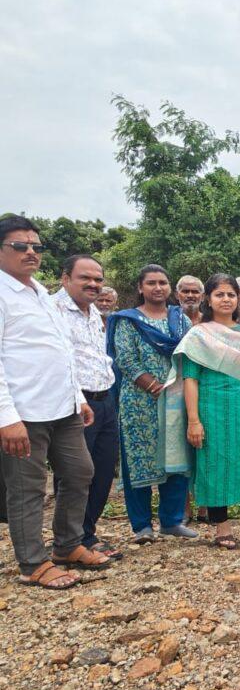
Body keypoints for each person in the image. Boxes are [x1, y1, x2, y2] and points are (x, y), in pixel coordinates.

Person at [0, 216, 108, 588]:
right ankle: (32, 563)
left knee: (80, 472)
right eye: (20, 246)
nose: (31, 252)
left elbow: (62, 351)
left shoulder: (39, 294)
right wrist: (6, 417)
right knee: (27, 487)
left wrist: (78, 397)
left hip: (63, 408)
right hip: (24, 411)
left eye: (36, 246)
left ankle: (67, 545)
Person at [172, 274, 240, 548]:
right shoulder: (198, 335)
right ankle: (221, 526)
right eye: (219, 294)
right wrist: (194, 420)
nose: (226, 299)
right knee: (214, 462)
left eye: (231, 294)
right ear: (208, 299)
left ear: (237, 299)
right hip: (211, 407)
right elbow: (190, 379)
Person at [107, 264, 195, 543]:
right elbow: (125, 359)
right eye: (151, 283)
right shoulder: (127, 321)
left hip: (177, 398)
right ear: (140, 287)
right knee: (138, 459)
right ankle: (142, 525)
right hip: (139, 401)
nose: (158, 288)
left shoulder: (181, 319)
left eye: (162, 283)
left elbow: (191, 353)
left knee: (176, 456)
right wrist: (154, 386)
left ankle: (171, 521)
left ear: (170, 287)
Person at [52, 255, 121, 560]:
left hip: (105, 399)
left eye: (98, 279)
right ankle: (69, 540)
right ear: (65, 278)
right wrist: (77, 398)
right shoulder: (52, 309)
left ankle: (87, 534)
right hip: (76, 403)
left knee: (103, 470)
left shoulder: (93, 311)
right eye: (85, 278)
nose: (93, 284)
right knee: (76, 473)